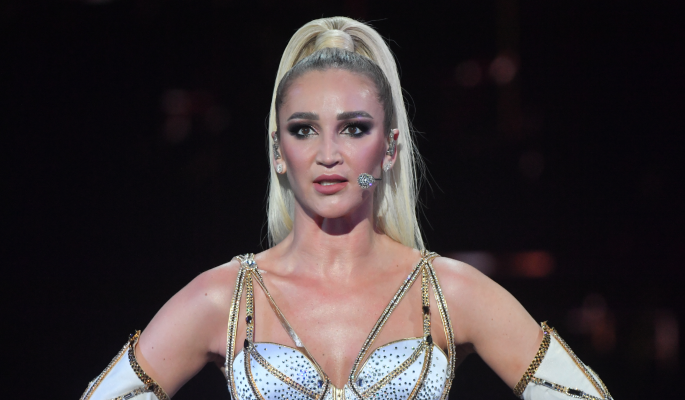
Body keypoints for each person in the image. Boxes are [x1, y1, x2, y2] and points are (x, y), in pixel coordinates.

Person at [80, 17, 612, 400]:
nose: (329, 154)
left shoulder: (448, 292)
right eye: (303, 130)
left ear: (389, 148)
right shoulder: (223, 297)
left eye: (354, 129)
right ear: (278, 150)